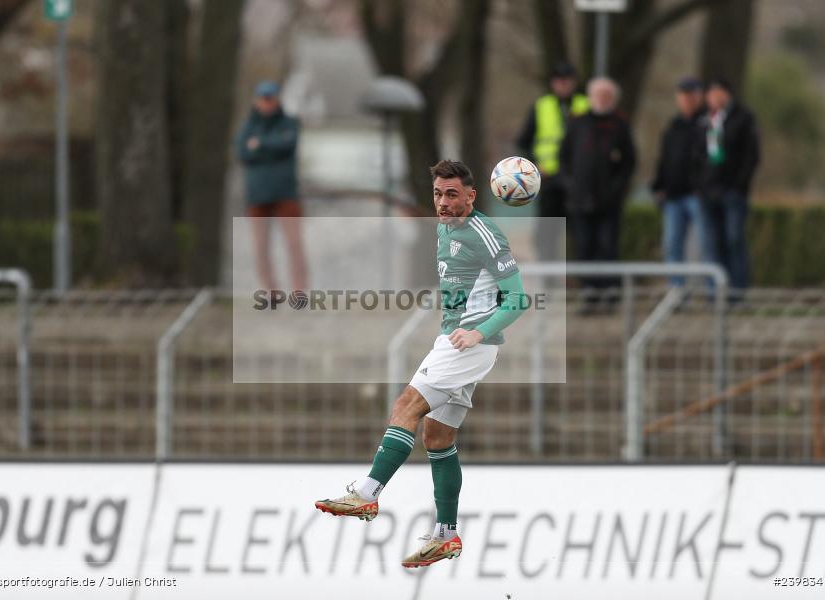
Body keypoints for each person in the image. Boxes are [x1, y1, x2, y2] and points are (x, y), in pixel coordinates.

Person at [315, 160, 527, 568]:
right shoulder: (445, 226)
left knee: (405, 407)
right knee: (437, 437)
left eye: (452, 195)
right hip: (456, 339)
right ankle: (445, 535)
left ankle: (366, 494)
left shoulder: (486, 234)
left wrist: (478, 333)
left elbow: (517, 298)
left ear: (471, 195)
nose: (443, 203)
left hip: (467, 344)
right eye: (437, 194)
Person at [559, 77, 636, 293]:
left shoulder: (620, 125)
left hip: (609, 200)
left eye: (607, 96)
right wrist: (570, 184)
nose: (602, 100)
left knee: (608, 245)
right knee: (583, 245)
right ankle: (588, 289)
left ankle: (609, 289)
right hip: (579, 198)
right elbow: (563, 157)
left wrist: (617, 187)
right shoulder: (578, 123)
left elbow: (629, 161)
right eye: (598, 95)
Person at [236, 80, 307, 291]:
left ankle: (299, 292)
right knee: (261, 248)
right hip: (257, 196)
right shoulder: (248, 127)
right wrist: (269, 146)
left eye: (270, 99)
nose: (267, 103)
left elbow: (287, 144)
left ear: (277, 99)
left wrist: (260, 145)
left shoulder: (289, 123)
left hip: (286, 194)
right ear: (256, 100)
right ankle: (270, 292)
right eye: (263, 99)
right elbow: (243, 153)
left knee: (294, 245)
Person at [516, 62, 590, 260]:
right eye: (560, 81)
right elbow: (524, 142)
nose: (563, 85)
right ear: (553, 83)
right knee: (547, 233)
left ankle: (576, 279)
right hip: (549, 179)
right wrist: (535, 166)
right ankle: (548, 280)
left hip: (577, 180)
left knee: (580, 232)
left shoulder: (586, 105)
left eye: (567, 81)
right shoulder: (541, 106)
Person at [696, 78, 760, 294]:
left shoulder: (743, 118)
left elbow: (751, 156)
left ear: (727, 94)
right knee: (712, 243)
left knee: (734, 240)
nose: (712, 98)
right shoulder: (705, 120)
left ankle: (738, 291)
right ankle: (715, 293)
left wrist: (738, 185)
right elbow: (698, 155)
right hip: (708, 191)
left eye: (716, 93)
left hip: (732, 191)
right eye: (709, 94)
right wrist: (700, 184)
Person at [652, 77, 712, 287]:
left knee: (706, 245)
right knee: (671, 246)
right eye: (683, 96)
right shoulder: (673, 127)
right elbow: (665, 160)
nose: (687, 100)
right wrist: (659, 186)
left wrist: (704, 187)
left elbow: (713, 160)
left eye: (691, 96)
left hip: (697, 195)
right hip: (673, 195)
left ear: (699, 97)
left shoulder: (709, 124)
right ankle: (676, 292)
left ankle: (714, 293)